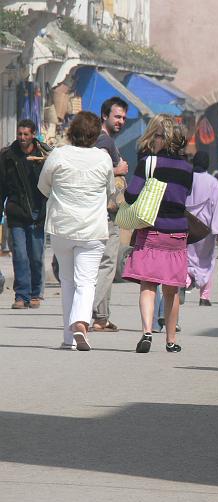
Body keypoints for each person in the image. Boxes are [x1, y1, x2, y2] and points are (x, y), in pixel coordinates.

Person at [37, 112, 115, 351]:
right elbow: (110, 191)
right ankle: (80, 322)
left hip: (62, 227)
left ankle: (68, 338)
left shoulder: (58, 154)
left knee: (68, 281)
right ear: (95, 135)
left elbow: (43, 186)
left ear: (71, 132)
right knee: (87, 281)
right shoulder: (103, 158)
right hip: (92, 228)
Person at [121, 114, 193, 354]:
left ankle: (147, 333)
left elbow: (132, 195)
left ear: (160, 138)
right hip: (178, 233)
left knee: (148, 285)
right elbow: (184, 195)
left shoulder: (149, 163)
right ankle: (171, 340)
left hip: (152, 230)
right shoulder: (187, 167)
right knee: (171, 290)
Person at [0, 119, 50, 309]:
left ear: (33, 135)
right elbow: (2, 187)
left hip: (38, 213)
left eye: (26, 134)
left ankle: (36, 293)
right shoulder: (8, 156)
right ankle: (21, 295)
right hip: (16, 213)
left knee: (36, 255)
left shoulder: (43, 155)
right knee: (20, 255)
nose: (22, 138)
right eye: (20, 134)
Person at [91, 96, 130, 332]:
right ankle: (95, 314)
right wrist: (119, 169)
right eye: (117, 116)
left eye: (124, 117)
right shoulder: (104, 143)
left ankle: (101, 316)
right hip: (106, 214)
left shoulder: (96, 140)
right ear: (105, 115)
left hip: (96, 213)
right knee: (106, 264)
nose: (121, 121)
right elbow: (99, 175)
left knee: (100, 264)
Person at [186, 151, 218, 306]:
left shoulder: (186, 179)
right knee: (207, 261)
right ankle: (205, 297)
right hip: (206, 229)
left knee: (187, 259)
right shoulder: (212, 182)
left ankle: (185, 281)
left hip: (187, 225)